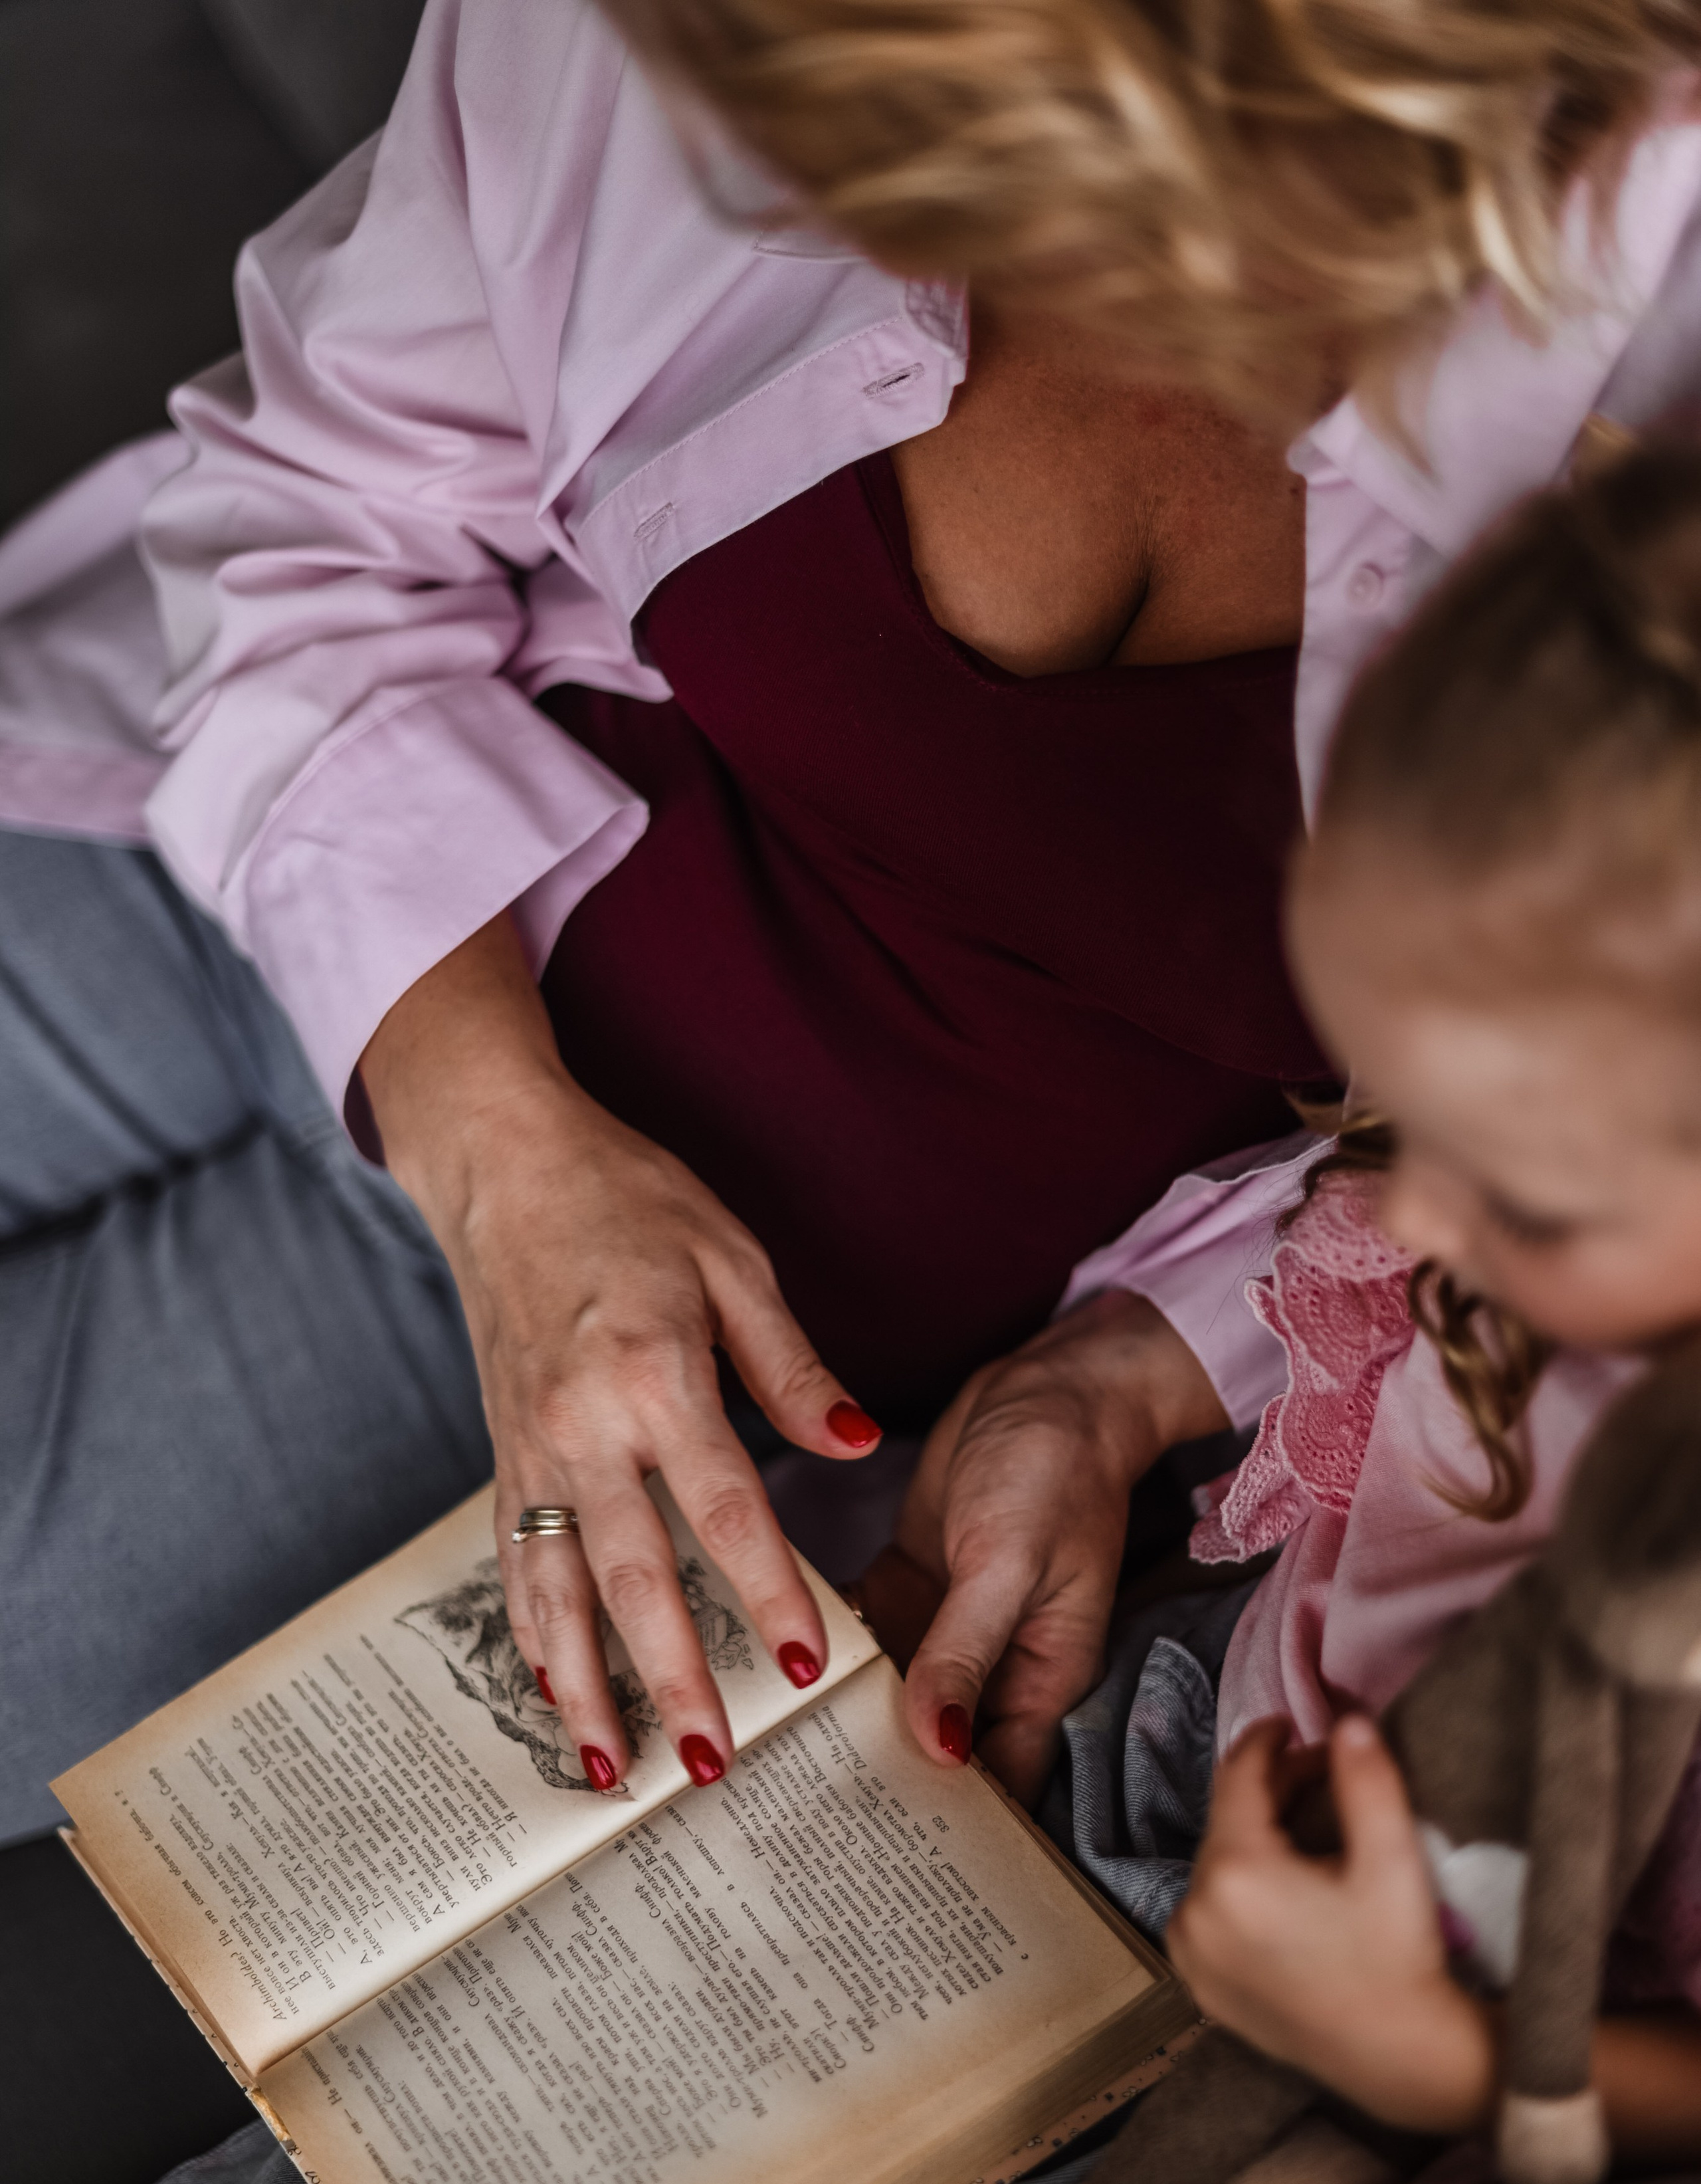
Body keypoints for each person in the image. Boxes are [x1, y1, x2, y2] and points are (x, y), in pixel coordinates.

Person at [122, 0, 1701, 1821]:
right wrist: (502, 1156)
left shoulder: (1634, 398)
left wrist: (1130, 1369)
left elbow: (1596, 1135)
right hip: (238, 858)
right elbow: (312, 502)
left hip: (678, 1375)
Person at [977, 443, 1701, 2184]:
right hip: (1234, 1798)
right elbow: (1352, 1541)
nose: (1419, 1216)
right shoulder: (1505, 1202)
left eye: (1522, 1181)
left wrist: (1433, 2058)